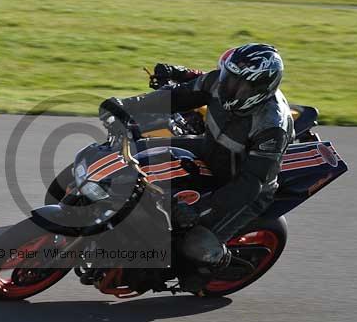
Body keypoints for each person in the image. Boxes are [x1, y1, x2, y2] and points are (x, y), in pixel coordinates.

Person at [98, 43, 294, 293]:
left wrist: (199, 209)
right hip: (210, 150)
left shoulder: (272, 127)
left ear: (259, 88)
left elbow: (251, 184)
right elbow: (175, 97)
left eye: (237, 83)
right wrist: (126, 106)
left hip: (244, 187)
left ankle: (217, 263)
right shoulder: (217, 83)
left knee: (194, 244)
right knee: (141, 150)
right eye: (228, 76)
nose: (226, 86)